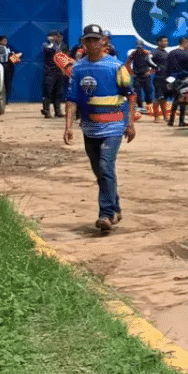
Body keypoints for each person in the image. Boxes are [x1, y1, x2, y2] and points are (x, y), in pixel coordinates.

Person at [64, 23, 136, 232]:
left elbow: (131, 96)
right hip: (90, 128)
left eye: (96, 39)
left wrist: (130, 124)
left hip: (113, 128)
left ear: (103, 41)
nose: (92, 43)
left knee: (105, 166)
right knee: (100, 172)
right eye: (88, 40)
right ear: (83, 43)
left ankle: (105, 214)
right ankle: (115, 206)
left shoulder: (116, 67)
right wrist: (68, 126)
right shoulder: (77, 68)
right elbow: (71, 99)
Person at [164, 36, 188, 127]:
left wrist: (167, 81)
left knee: (176, 98)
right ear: (185, 42)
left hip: (173, 79)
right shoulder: (187, 55)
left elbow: (167, 68)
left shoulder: (171, 53)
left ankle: (171, 120)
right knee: (183, 100)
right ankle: (181, 121)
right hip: (183, 80)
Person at [41, 29, 67, 118]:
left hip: (59, 71)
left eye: (59, 37)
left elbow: (66, 56)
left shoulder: (63, 46)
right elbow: (50, 50)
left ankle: (58, 110)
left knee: (58, 92)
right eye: (57, 36)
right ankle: (46, 110)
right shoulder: (46, 45)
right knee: (48, 91)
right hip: (50, 71)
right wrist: (52, 42)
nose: (59, 38)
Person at [125, 39, 155, 115]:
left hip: (146, 76)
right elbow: (127, 63)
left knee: (148, 91)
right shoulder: (133, 54)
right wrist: (130, 72)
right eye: (138, 47)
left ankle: (149, 108)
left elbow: (154, 64)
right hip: (137, 76)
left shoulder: (147, 54)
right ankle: (140, 107)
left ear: (143, 47)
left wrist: (150, 72)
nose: (139, 49)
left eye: (141, 47)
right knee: (137, 92)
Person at [150, 36, 170, 121]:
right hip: (159, 78)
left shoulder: (165, 52)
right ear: (159, 42)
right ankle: (156, 117)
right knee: (158, 98)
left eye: (166, 41)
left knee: (164, 98)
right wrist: (156, 67)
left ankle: (165, 116)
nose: (166, 43)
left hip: (166, 78)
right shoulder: (156, 52)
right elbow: (148, 59)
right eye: (164, 41)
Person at [0, 35, 20, 102]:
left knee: (7, 83)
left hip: (8, 67)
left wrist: (16, 58)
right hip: (0, 66)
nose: (5, 42)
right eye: (3, 40)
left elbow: (14, 56)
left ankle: (5, 100)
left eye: (5, 40)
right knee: (0, 83)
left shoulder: (9, 47)